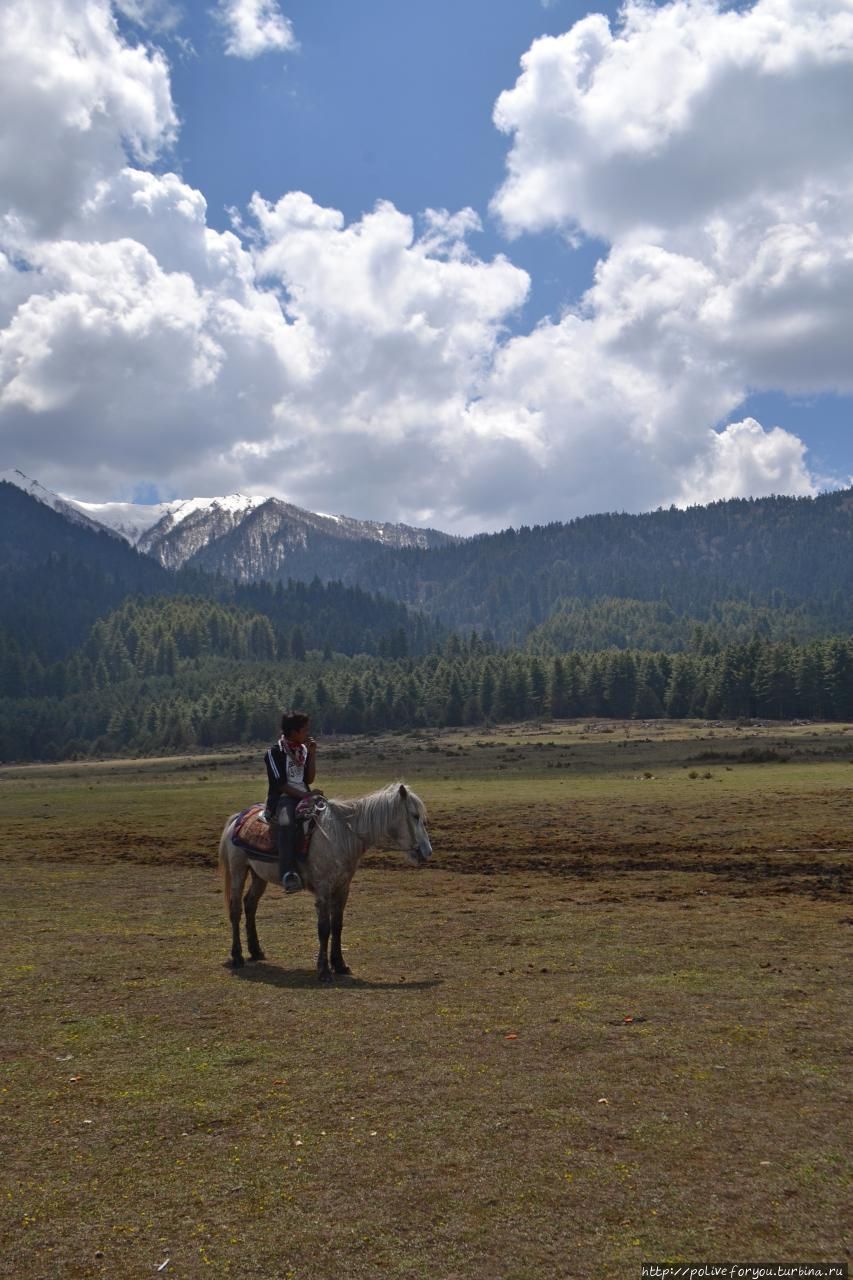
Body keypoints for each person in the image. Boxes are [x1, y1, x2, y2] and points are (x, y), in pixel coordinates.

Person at [264, 710, 317, 893]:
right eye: (304, 730)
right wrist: (304, 797)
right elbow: (280, 785)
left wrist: (312, 754)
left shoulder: (302, 750)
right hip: (284, 799)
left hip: (304, 794)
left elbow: (309, 780)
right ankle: (287, 874)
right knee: (287, 824)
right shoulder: (274, 752)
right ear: (293, 732)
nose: (307, 733)